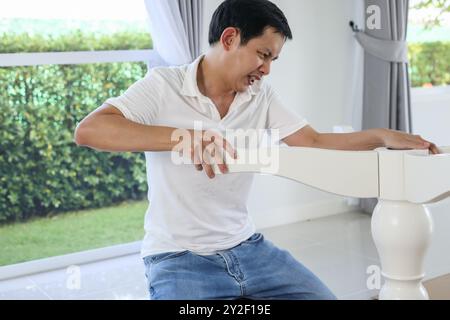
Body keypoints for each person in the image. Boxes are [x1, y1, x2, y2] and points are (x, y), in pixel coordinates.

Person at [74, 0, 439, 300]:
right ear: (230, 38)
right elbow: (90, 130)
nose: (265, 70)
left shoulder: (259, 96)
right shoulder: (163, 85)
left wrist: (382, 135)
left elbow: (312, 141)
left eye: (272, 61)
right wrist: (181, 136)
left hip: (250, 248)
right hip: (177, 257)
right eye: (262, 55)